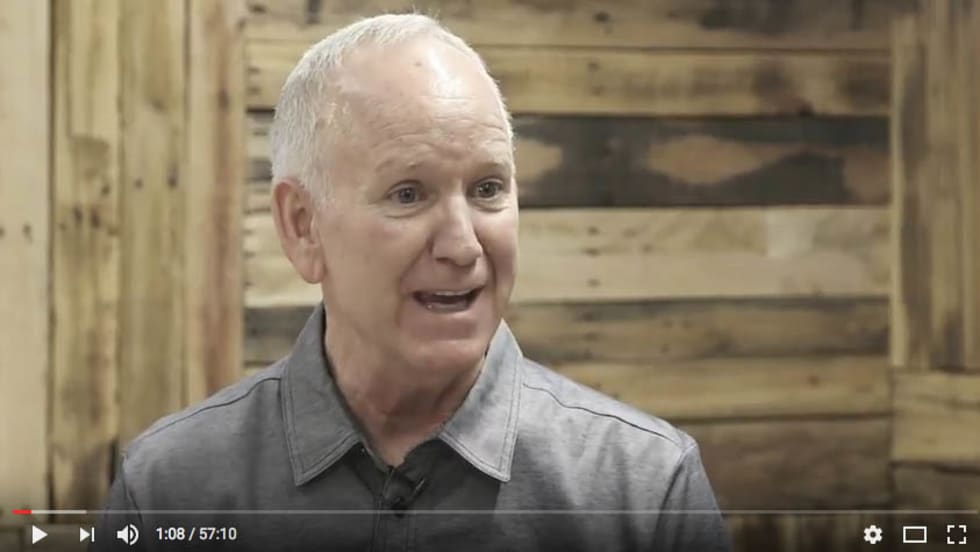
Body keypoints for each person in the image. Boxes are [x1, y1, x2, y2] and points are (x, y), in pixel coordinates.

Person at [94, 14, 731, 552]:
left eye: (488, 189)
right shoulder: (169, 491)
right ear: (303, 226)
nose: (463, 245)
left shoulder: (646, 492)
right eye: (408, 194)